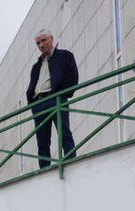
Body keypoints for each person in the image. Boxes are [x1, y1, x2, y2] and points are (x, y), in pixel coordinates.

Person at [26, 29, 79, 169]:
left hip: (55, 98)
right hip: (38, 103)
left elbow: (72, 77)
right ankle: (44, 170)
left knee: (63, 132)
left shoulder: (64, 56)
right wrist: (31, 102)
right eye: (38, 43)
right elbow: (33, 84)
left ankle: (70, 163)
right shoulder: (36, 66)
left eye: (44, 40)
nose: (41, 45)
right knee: (42, 141)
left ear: (51, 38)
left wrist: (62, 95)